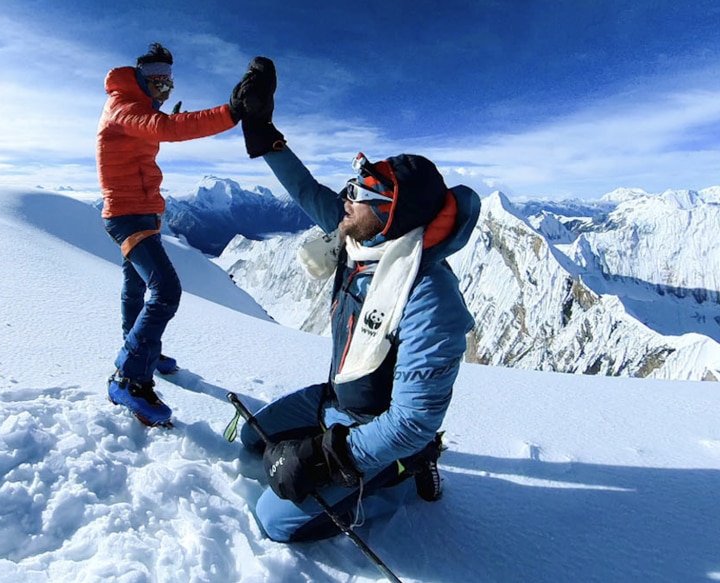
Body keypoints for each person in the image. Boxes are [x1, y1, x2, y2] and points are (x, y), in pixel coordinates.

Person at [235, 58, 481, 542]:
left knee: (273, 519)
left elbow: (411, 420)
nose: (347, 198)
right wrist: (262, 128)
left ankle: (405, 477)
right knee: (251, 441)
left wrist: (331, 457)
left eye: (362, 193)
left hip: (378, 431)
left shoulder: (429, 295)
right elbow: (304, 187)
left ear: (392, 216)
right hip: (336, 399)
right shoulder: (359, 240)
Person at [97, 43, 267, 426]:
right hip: (128, 216)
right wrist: (232, 112)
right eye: (158, 80)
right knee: (166, 291)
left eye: (169, 81)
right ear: (142, 78)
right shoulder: (123, 108)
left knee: (136, 288)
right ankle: (129, 378)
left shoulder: (137, 107)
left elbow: (157, 125)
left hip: (140, 212)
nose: (165, 87)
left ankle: (140, 352)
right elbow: (165, 129)